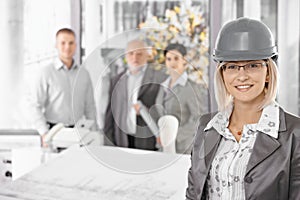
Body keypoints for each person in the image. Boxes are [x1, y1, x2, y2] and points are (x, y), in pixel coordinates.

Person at [186, 17, 300, 199]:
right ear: (222, 74)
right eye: (232, 67)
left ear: (268, 72)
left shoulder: (295, 134)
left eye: (252, 65)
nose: (242, 76)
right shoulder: (207, 126)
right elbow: (194, 193)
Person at [29, 28, 96, 146]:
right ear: (56, 45)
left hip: (79, 133)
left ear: (75, 46)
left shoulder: (84, 74)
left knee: (77, 164)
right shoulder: (46, 72)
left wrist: (93, 132)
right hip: (53, 133)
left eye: (71, 43)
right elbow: (35, 105)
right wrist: (44, 133)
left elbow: (90, 107)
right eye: (63, 43)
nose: (67, 47)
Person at [103, 39, 167, 150]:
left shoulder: (159, 78)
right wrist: (108, 141)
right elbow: (110, 113)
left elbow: (164, 110)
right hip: (122, 139)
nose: (135, 57)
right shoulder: (116, 80)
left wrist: (146, 111)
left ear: (147, 55)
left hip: (147, 141)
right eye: (131, 53)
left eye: (139, 54)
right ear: (126, 56)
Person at [153, 43, 207, 154]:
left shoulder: (191, 88)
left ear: (184, 60)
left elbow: (198, 119)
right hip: (164, 146)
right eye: (169, 59)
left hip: (183, 147)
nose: (172, 62)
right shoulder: (163, 86)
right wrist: (160, 134)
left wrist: (173, 135)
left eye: (176, 58)